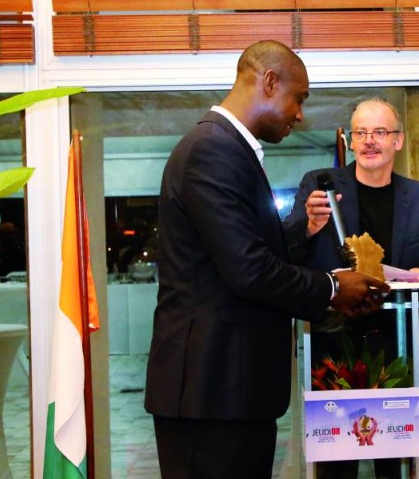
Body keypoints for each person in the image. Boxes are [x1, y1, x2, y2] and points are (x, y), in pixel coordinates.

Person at [144, 40, 389, 479]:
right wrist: (333, 288)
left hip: (230, 394)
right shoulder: (212, 149)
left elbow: (251, 256)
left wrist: (323, 268)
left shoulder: (229, 149)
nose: (300, 114)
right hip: (211, 396)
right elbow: (248, 270)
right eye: (299, 98)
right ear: (270, 82)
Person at [283, 97, 419, 478]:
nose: (370, 141)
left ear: (398, 141)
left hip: (397, 344)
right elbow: (287, 249)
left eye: (380, 132)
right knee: (336, 464)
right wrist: (309, 226)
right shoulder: (320, 186)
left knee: (394, 462)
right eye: (361, 133)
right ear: (351, 140)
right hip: (331, 343)